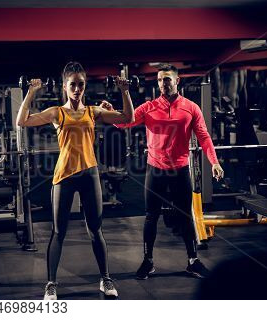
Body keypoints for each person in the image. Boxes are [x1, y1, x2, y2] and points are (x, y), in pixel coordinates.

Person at [16, 62, 134, 300]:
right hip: (64, 176)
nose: (77, 89)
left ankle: (106, 279)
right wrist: (30, 92)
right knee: (58, 232)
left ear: (85, 85)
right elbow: (22, 120)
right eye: (73, 85)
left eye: (81, 84)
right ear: (65, 87)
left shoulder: (93, 111)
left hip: (90, 174)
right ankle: (51, 283)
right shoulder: (57, 112)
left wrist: (125, 91)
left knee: (95, 230)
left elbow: (127, 117)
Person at [113, 64, 224, 280]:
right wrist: (112, 109)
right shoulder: (149, 107)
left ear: (177, 81)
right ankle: (148, 261)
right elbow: (124, 123)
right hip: (155, 169)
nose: (163, 84)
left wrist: (214, 162)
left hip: (180, 169)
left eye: (167, 79)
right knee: (150, 217)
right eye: (160, 80)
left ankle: (193, 261)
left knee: (185, 217)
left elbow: (204, 137)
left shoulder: (191, 108)